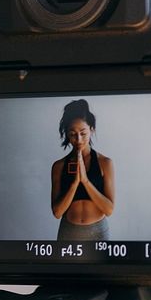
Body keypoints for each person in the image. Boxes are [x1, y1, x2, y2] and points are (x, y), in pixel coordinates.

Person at [51, 99, 115, 241]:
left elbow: (109, 210)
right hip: (68, 231)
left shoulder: (105, 163)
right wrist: (75, 184)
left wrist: (85, 181)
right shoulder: (59, 166)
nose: (78, 139)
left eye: (83, 133)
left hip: (98, 231)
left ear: (92, 130)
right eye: (73, 134)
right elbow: (57, 212)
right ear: (67, 134)